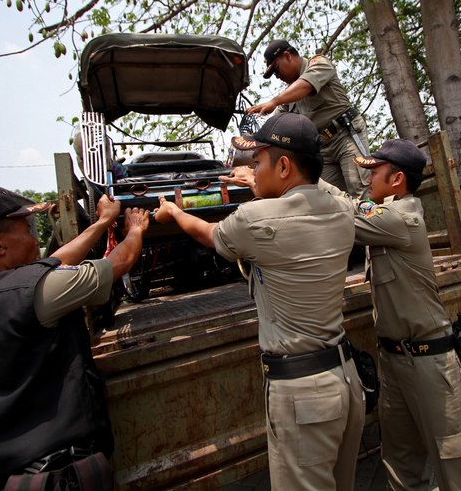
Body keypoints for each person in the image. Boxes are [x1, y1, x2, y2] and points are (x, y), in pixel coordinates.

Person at [226, 139, 461, 490]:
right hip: (395, 361)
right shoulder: (385, 213)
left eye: (374, 172)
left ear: (397, 180)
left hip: (429, 363)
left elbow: (344, 210)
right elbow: (346, 205)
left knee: (458, 466)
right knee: (401, 464)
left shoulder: (402, 218)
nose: (367, 180)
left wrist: (294, 176)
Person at [155, 112, 365, 490]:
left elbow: (209, 233)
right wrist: (260, 182)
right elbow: (323, 189)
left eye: (257, 162)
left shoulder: (253, 219)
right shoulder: (343, 210)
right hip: (345, 378)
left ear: (284, 165)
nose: (252, 170)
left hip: (303, 396)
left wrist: (173, 212)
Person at [0, 184, 150, 490]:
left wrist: (100, 223)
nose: (34, 239)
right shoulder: (35, 293)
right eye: (27, 229)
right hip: (53, 477)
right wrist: (135, 229)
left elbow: (55, 262)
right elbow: (119, 263)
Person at [246, 39, 371, 199]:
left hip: (345, 136)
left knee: (360, 189)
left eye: (276, 70)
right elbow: (277, 123)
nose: (277, 77)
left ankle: (373, 223)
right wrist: (254, 140)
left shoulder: (319, 63)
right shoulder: (289, 95)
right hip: (322, 148)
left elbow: (305, 85)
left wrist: (274, 101)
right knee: (328, 199)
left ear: (288, 56)